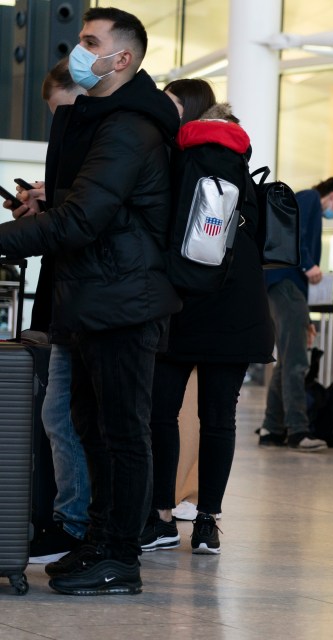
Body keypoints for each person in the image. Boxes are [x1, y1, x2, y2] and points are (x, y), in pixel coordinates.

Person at [0, 7, 181, 596]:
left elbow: (83, 218)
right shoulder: (101, 120)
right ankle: (98, 540)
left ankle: (120, 557)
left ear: (121, 59)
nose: (79, 50)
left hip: (123, 300)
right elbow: (81, 210)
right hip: (94, 298)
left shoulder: (130, 126)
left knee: (123, 432)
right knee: (93, 427)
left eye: (89, 41)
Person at [139, 79, 275, 556]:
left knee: (161, 414)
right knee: (218, 418)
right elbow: (256, 240)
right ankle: (207, 524)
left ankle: (159, 517)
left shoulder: (175, 160)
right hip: (236, 309)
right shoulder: (240, 167)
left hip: (179, 303)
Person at [7, 60, 93, 567]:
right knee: (59, 414)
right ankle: (70, 520)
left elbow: (87, 218)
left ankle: (75, 524)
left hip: (93, 303)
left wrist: (51, 206)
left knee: (67, 416)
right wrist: (46, 204)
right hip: (70, 299)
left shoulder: (111, 141)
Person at [260, 175, 333, 450]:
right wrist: (309, 264)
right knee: (298, 361)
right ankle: (298, 430)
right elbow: (292, 230)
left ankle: (272, 428)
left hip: (285, 287)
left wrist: (307, 319)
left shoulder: (306, 199)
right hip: (288, 282)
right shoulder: (311, 198)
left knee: (287, 359)